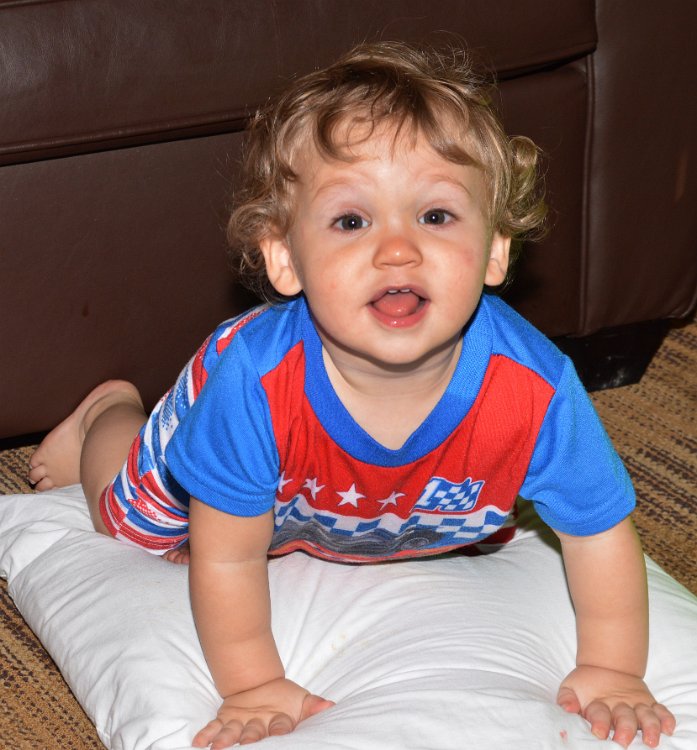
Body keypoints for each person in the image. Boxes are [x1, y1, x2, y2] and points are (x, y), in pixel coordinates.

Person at [28, 41, 675, 749]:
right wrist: (253, 686)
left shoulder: (536, 389)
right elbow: (229, 557)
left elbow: (599, 532)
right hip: (252, 439)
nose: (397, 250)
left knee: (467, 533)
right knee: (134, 526)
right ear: (285, 259)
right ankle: (106, 414)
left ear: (495, 249)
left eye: (435, 216)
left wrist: (613, 671)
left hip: (370, 502)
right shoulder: (253, 383)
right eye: (351, 221)